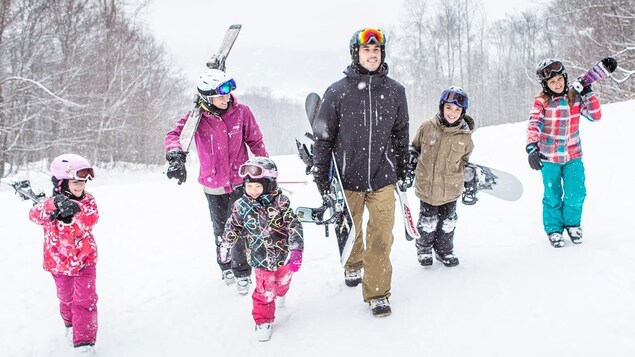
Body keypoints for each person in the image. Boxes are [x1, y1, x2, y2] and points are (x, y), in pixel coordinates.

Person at [311, 28, 409, 317]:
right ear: (356, 53)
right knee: (351, 230)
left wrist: (403, 166)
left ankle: (378, 292)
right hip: (347, 178)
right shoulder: (337, 92)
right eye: (367, 50)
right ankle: (353, 263)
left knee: (381, 237)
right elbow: (323, 136)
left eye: (376, 50)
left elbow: (401, 133)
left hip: (383, 176)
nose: (372, 54)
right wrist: (321, 172)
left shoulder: (395, 91)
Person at [164, 68, 268, 294]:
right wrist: (174, 156)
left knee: (241, 228)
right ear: (207, 97)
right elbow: (174, 137)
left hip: (241, 182)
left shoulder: (242, 112)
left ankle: (242, 272)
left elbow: (256, 142)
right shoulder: (196, 118)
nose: (226, 98)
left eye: (228, 92)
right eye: (220, 95)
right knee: (221, 229)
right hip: (213, 185)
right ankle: (225, 265)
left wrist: (265, 171)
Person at [221, 157, 303, 342]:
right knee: (264, 290)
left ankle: (281, 292)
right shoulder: (241, 206)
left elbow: (294, 225)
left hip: (282, 256)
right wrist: (226, 243)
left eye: (258, 187)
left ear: (269, 185)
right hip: (260, 258)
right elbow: (232, 226)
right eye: (249, 186)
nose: (253, 191)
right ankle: (263, 320)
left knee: (282, 281)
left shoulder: (281, 202)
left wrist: (296, 249)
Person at [28, 154, 99, 356]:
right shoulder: (49, 204)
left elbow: (91, 218)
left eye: (83, 182)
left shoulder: (88, 201)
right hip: (58, 264)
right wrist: (53, 205)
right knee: (66, 299)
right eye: (75, 182)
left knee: (85, 301)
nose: (80, 187)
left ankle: (84, 343)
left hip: (85, 261)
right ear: (60, 182)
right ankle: (70, 324)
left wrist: (74, 212)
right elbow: (34, 215)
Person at [526, 58, 601, 247]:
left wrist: (588, 92)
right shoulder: (542, 102)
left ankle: (573, 224)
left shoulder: (574, 98)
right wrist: (531, 147)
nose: (557, 84)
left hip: (573, 155)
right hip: (548, 157)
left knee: (577, 192)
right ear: (545, 85)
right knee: (552, 194)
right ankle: (554, 229)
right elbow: (534, 123)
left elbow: (595, 116)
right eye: (552, 82)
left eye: (559, 79)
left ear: (565, 78)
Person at [410, 87, 474, 268]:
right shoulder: (427, 128)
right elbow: (415, 147)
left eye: (457, 110)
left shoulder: (465, 137)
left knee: (448, 221)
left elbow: (465, 160)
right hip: (428, 187)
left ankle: (444, 250)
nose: (452, 113)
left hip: (451, 188)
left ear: (462, 112)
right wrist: (410, 159)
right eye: (449, 108)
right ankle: (423, 249)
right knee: (428, 221)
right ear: (441, 107)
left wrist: (469, 177)